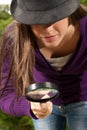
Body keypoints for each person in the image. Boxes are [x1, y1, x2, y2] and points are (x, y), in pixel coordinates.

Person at [0, 0, 87, 130]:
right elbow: (5, 93)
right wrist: (29, 106)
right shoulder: (14, 37)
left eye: (55, 17)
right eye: (36, 19)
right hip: (41, 104)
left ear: (70, 11)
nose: (48, 29)